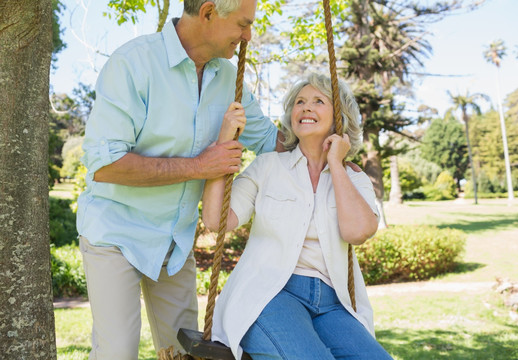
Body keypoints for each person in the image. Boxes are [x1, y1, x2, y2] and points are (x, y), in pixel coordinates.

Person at [76, 0, 284, 358]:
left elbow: (270, 141)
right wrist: (200, 166)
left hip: (175, 243)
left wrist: (329, 153)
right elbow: (106, 165)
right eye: (242, 24)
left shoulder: (227, 77)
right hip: (116, 234)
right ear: (207, 13)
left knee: (186, 353)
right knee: (117, 353)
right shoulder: (133, 63)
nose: (248, 36)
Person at [202, 73, 394, 359]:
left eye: (319, 101)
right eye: (299, 102)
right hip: (269, 295)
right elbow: (216, 220)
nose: (306, 107)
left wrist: (336, 165)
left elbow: (358, 232)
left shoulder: (354, 177)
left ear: (339, 116)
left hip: (333, 304)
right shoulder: (267, 167)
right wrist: (223, 142)